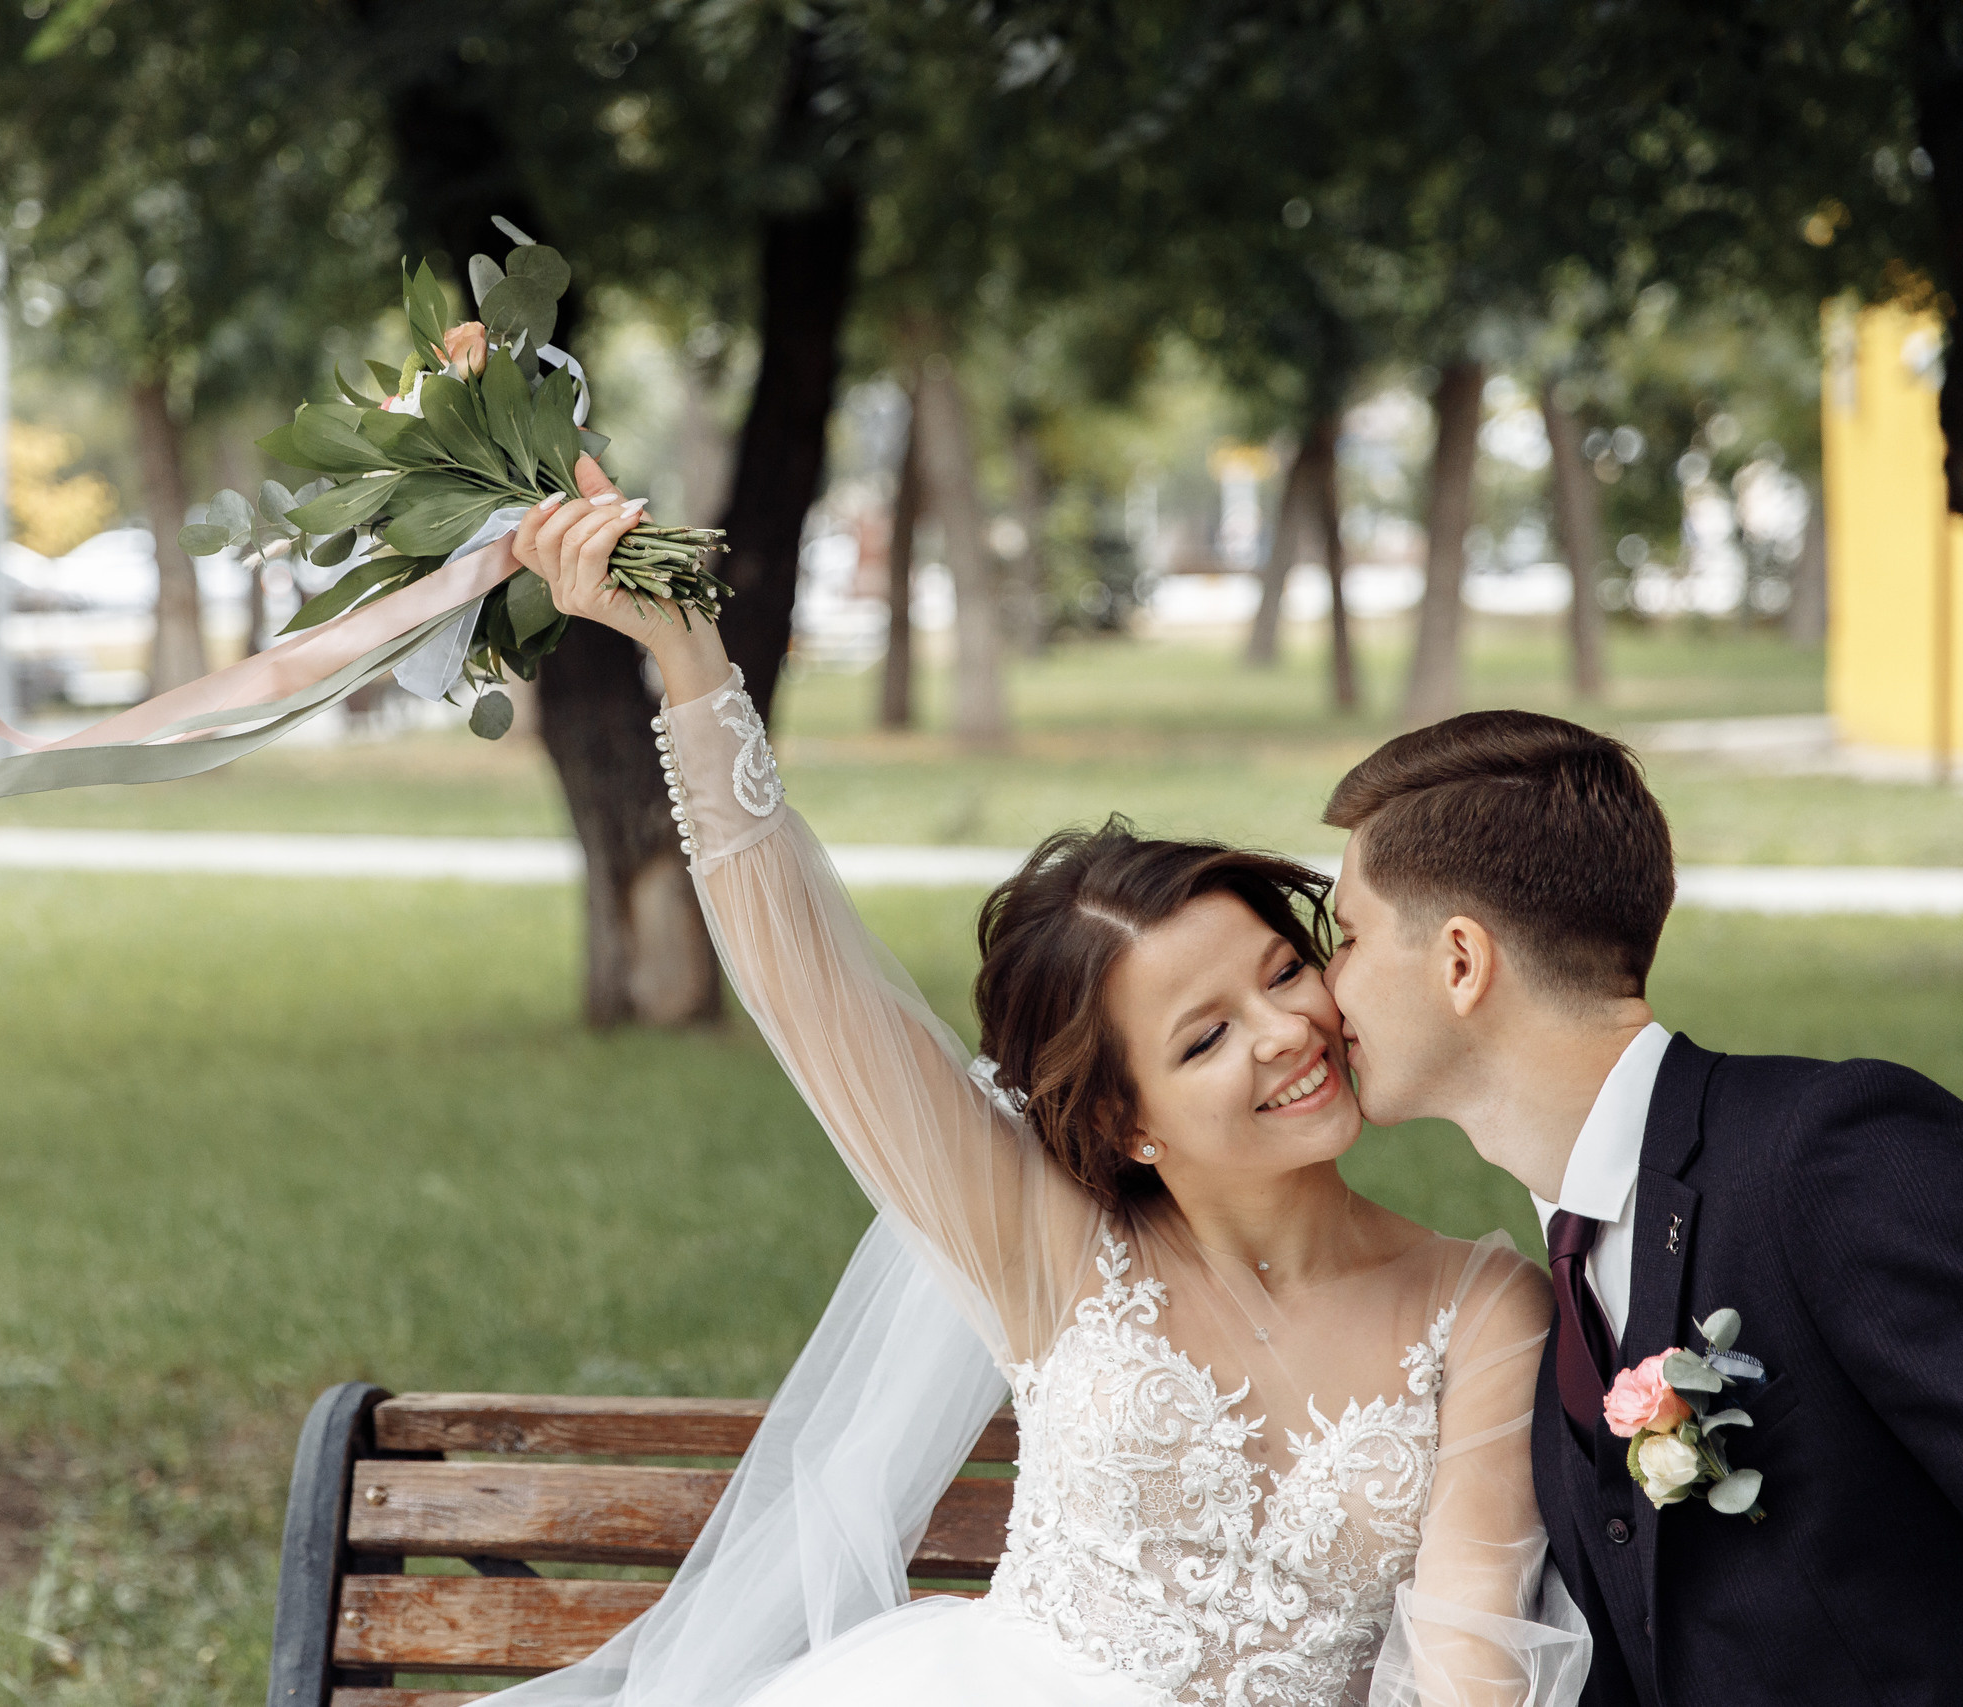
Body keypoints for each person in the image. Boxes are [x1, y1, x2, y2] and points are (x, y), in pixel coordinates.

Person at [505, 461, 1587, 1707]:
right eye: (1203, 1039)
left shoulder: (1483, 1307)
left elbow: (1470, 1667)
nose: (1286, 1031)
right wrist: (691, 664)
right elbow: (814, 992)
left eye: (1284, 970)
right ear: (1125, 1121)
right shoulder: (1046, 1247)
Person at [1318, 714, 1963, 1707]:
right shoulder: (1553, 1285)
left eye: (1347, 937)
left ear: (1459, 962)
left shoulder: (1823, 1150)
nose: (1327, 989)